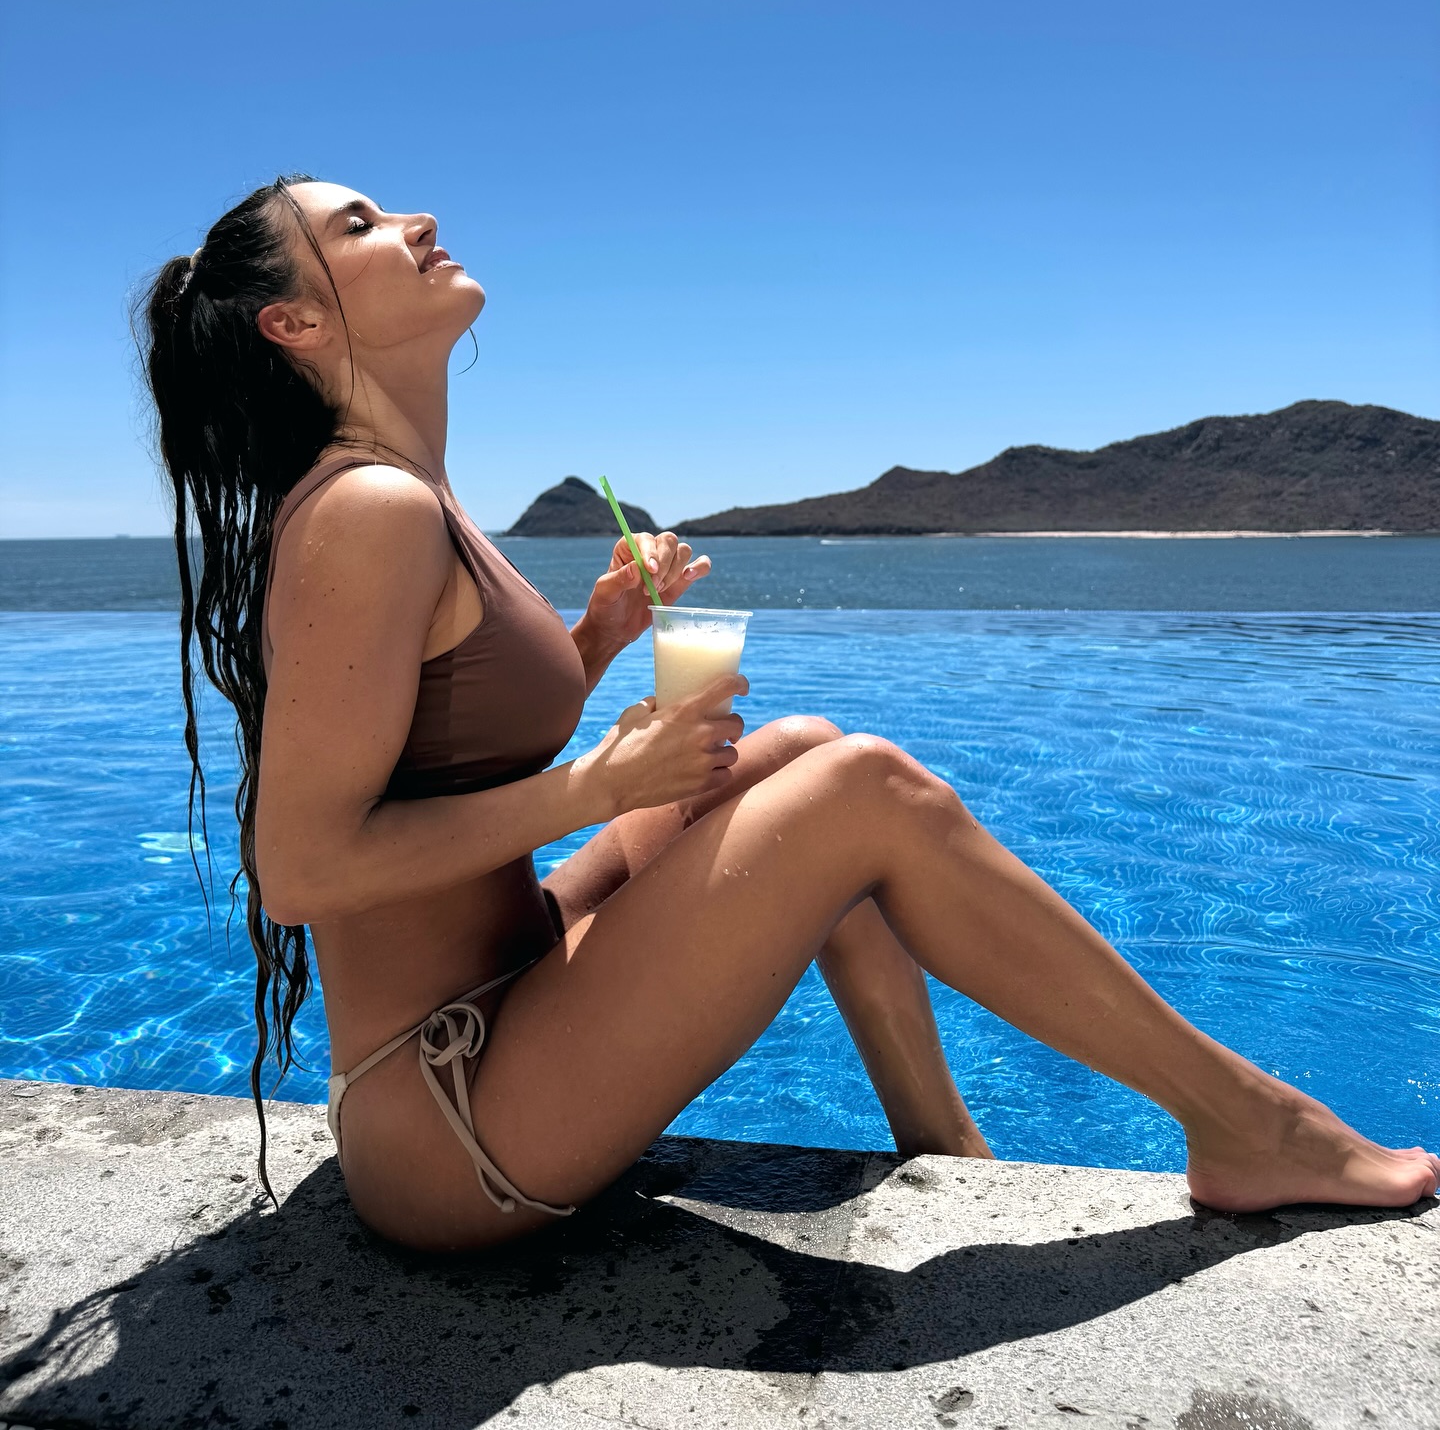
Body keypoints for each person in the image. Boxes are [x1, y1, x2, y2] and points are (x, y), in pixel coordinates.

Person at [140, 175, 1437, 1253]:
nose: (416, 219)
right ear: (293, 323)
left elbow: (437, 744)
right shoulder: (368, 509)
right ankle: (1249, 1126)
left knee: (802, 753)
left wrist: (598, 640)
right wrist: (600, 788)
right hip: (449, 1107)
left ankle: (946, 1148)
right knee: (860, 792)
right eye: (360, 225)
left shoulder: (411, 493)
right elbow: (301, 870)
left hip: (514, 976)